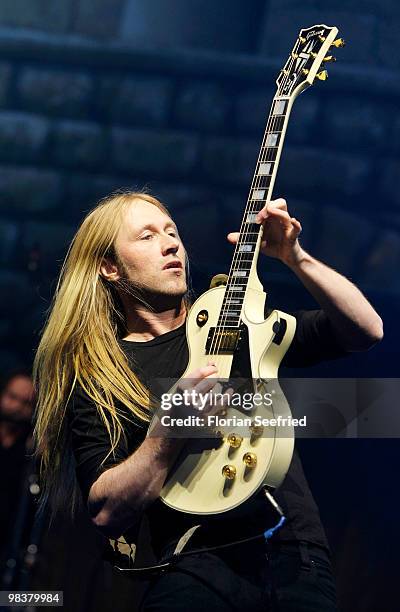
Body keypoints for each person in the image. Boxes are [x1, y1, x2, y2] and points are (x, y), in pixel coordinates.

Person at [33, 191, 383, 611]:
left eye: (171, 232)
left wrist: (295, 256)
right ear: (110, 267)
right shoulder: (99, 373)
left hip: (295, 554)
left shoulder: (229, 321)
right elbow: (106, 511)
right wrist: (166, 433)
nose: (170, 243)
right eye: (146, 236)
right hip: (192, 565)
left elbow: (365, 330)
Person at [0, 371, 35, 574]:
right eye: (12, 397)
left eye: (26, 403)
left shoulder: (30, 451)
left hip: (8, 546)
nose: (18, 408)